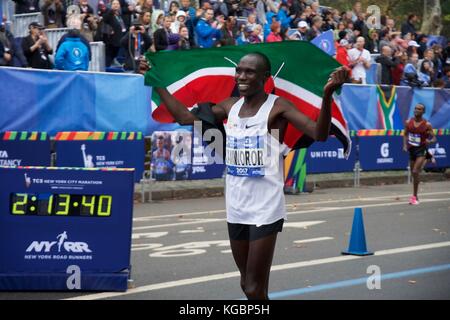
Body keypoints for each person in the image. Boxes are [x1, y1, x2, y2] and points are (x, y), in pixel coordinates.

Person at [139, 53, 349, 300]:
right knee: (248, 285)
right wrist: (155, 81)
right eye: (239, 70)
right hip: (236, 207)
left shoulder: (278, 107)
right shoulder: (230, 106)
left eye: (249, 72)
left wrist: (326, 95)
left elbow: (319, 133)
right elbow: (185, 118)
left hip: (265, 208)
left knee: (252, 287)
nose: (241, 76)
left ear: (265, 77)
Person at [403, 103, 436, 205]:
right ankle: (416, 196)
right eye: (416, 108)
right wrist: (404, 145)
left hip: (421, 150)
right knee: (414, 174)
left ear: (423, 112)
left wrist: (429, 141)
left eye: (419, 109)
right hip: (412, 150)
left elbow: (434, 138)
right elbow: (405, 134)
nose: (417, 110)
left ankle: (414, 196)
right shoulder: (408, 122)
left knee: (415, 170)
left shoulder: (427, 125)